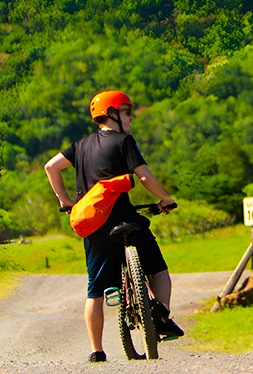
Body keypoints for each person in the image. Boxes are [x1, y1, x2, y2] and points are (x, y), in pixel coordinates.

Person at [44, 90, 183, 363]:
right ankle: (160, 314)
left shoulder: (80, 145)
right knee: (160, 271)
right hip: (126, 221)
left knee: (95, 290)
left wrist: (66, 201)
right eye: (127, 111)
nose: (131, 117)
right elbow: (143, 177)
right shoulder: (124, 141)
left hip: (96, 229)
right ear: (112, 114)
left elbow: (51, 167)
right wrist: (165, 199)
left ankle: (97, 351)